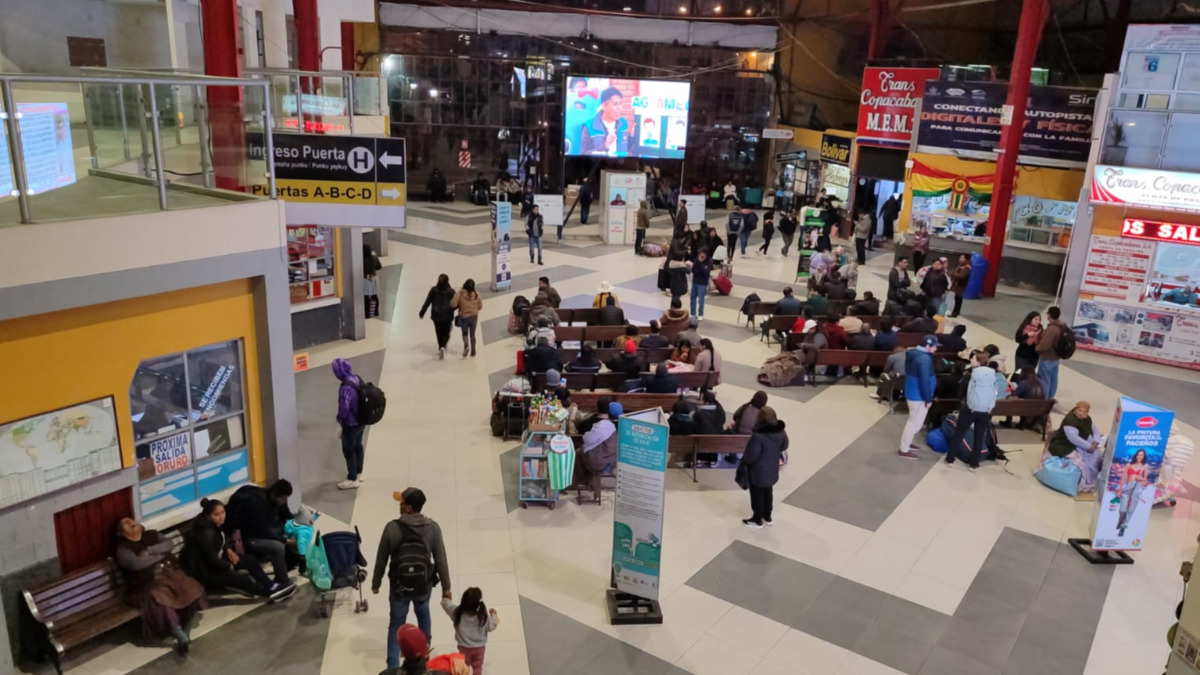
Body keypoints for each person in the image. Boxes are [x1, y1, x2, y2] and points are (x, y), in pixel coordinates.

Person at [374, 488, 453, 669]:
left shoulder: (392, 528)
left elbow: (381, 558)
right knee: (423, 614)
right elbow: (441, 560)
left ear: (408, 508)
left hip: (398, 587)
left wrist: (376, 583)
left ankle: (392, 667)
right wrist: (446, 587)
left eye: (401, 502)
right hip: (422, 587)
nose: (399, 505)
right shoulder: (433, 528)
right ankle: (423, 660)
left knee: (396, 624)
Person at [113, 518, 206, 655]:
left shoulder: (151, 535)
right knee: (161, 602)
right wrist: (160, 554)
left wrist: (150, 550)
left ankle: (186, 629)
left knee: (191, 589)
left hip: (167, 576)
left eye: (131, 520)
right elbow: (137, 564)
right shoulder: (123, 549)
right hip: (144, 585)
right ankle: (179, 635)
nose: (130, 522)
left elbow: (168, 544)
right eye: (125, 523)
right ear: (121, 533)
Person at [181, 498, 296, 603]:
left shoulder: (213, 524)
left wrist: (229, 550)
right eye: (217, 515)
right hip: (205, 571)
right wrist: (228, 566)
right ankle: (267, 592)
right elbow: (211, 561)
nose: (222, 517)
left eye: (223, 512)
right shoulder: (206, 533)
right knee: (240, 579)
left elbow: (221, 538)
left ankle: (270, 585)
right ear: (208, 516)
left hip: (217, 560)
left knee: (249, 560)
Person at [225, 480, 295, 590]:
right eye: (282, 498)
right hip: (251, 538)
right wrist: (286, 541)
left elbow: (287, 517)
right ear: (273, 495)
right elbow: (262, 531)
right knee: (277, 547)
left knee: (293, 533)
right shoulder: (256, 503)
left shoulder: (279, 500)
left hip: (268, 531)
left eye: (286, 498)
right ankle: (282, 579)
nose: (284, 501)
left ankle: (291, 563)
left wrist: (299, 528)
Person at [945, 353, 1000, 470]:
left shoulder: (969, 376)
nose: (971, 359)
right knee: (979, 436)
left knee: (959, 433)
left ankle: (950, 459)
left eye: (974, 358)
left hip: (969, 409)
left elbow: (960, 393)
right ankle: (974, 463)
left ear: (979, 362)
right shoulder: (992, 376)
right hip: (985, 410)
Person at [739, 407, 788, 529]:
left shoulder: (758, 436)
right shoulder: (781, 431)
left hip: (758, 470)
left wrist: (744, 461)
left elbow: (751, 456)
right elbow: (785, 445)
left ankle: (757, 519)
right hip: (772, 468)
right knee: (768, 491)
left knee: (757, 494)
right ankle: (767, 516)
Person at [1045, 401, 1105, 495]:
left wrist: (1095, 442)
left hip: (1086, 445)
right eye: (1080, 411)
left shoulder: (1087, 419)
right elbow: (1074, 439)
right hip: (1065, 445)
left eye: (1085, 412)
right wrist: (1089, 446)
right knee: (1082, 463)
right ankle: (1085, 481)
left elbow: (1095, 430)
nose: (1082, 414)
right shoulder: (1069, 422)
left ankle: (1094, 477)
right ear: (1075, 410)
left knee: (1097, 456)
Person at [329, 358, 368, 490]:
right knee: (358, 445)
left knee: (348, 450)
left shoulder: (345, 387)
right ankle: (359, 472)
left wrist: (340, 420)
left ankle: (352, 479)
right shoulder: (356, 378)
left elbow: (344, 409)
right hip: (362, 420)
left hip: (351, 424)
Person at [441, 588, 498, 675]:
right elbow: (492, 626)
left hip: (463, 647)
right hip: (479, 648)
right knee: (477, 667)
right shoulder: (483, 616)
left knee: (464, 666)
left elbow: (446, 605)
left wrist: (446, 598)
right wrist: (493, 615)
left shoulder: (457, 613)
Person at [899, 336, 938, 460]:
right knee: (914, 423)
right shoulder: (924, 359)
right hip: (919, 396)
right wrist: (928, 399)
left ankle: (907, 443)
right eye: (934, 346)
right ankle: (904, 449)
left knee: (913, 421)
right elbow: (924, 381)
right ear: (928, 346)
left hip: (912, 392)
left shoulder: (913, 354)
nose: (936, 349)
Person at [581, 87, 630, 156]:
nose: (619, 108)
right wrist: (604, 146)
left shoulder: (623, 123)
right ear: (604, 106)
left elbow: (626, 148)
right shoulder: (589, 126)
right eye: (615, 104)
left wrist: (633, 137)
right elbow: (583, 155)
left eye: (620, 103)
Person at [419, 274, 457, 359]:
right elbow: (456, 303)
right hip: (447, 316)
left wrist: (422, 312)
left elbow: (427, 302)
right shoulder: (451, 291)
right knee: (447, 332)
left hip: (436, 316)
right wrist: (452, 309)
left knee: (438, 331)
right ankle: (443, 345)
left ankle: (441, 347)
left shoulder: (433, 290)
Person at [1116, 449, 1151, 537]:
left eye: (1142, 455)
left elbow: (1145, 479)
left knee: (1131, 509)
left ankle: (1123, 527)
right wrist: (1120, 490)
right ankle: (1121, 521)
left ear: (1144, 457)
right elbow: (1123, 478)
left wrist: (1140, 478)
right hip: (1128, 487)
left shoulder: (1144, 466)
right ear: (1136, 455)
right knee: (1122, 509)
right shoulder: (1129, 465)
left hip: (1138, 488)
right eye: (1138, 454)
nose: (1140, 456)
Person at [1037, 306, 1068, 400]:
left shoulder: (1052, 329)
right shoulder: (1062, 325)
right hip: (1056, 358)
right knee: (1053, 379)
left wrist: (1037, 349)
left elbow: (1045, 345)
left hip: (1047, 358)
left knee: (1044, 380)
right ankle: (1050, 398)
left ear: (1049, 315)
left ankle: (1044, 401)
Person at [581, 402, 622, 474]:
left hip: (602, 462)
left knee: (579, 452)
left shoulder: (604, 425)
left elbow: (587, 439)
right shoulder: (622, 425)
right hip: (613, 458)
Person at [451, 279, 483, 358]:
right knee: (472, 334)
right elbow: (480, 306)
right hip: (474, 317)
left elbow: (453, 304)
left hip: (464, 317)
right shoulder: (476, 295)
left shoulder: (460, 294)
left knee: (465, 333)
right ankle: (473, 350)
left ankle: (466, 346)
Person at [690, 250, 714, 320]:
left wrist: (700, 264)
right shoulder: (696, 260)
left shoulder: (709, 261)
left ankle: (701, 314)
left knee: (701, 299)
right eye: (701, 253)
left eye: (703, 253)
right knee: (692, 298)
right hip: (695, 282)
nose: (702, 255)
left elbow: (705, 272)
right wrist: (699, 265)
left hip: (702, 283)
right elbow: (693, 270)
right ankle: (693, 313)